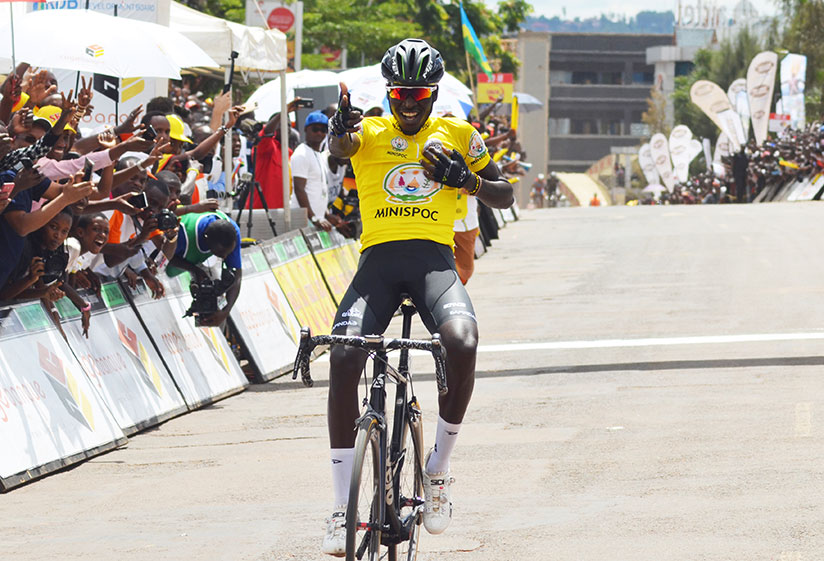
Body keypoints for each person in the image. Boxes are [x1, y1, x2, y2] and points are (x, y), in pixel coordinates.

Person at [323, 38, 514, 556]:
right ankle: (342, 506)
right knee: (343, 356)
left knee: (464, 341)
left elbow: (506, 193)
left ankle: (439, 469)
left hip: (433, 262)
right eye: (400, 93)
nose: (409, 103)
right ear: (389, 92)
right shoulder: (368, 131)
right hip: (379, 266)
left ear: (434, 94)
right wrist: (340, 129)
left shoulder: (458, 134)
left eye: (419, 93)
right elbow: (341, 149)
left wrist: (467, 179)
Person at [167, 210, 243, 328]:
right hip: (169, 266)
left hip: (201, 262)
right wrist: (194, 269)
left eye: (228, 252)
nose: (224, 257)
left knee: (216, 298)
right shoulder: (184, 233)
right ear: (206, 239)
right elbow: (164, 257)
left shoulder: (232, 233)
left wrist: (225, 312)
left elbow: (237, 276)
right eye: (220, 252)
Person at [290, 111, 332, 230]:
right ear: (306, 129)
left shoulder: (319, 154)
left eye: (323, 130)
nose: (319, 133)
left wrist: (327, 215)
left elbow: (318, 188)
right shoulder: (301, 154)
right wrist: (313, 218)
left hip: (316, 219)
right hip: (305, 220)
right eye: (315, 129)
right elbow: (299, 189)